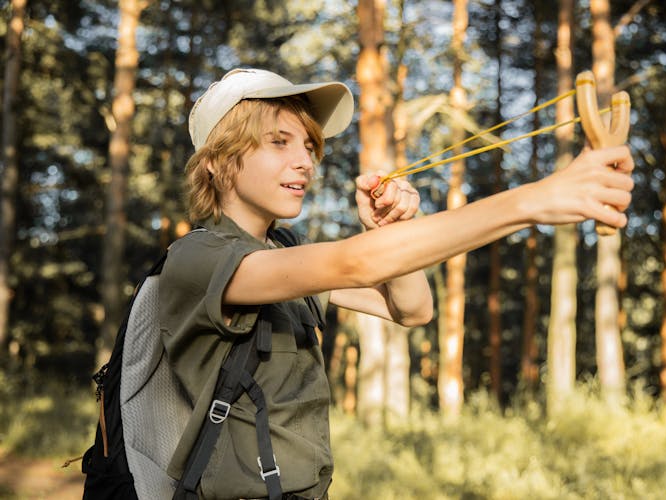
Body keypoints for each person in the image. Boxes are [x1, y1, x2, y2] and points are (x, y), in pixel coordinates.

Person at [158, 68, 635, 499]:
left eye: (308, 145)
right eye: (279, 141)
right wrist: (533, 201)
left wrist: (389, 230)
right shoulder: (197, 258)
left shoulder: (282, 252)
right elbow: (354, 264)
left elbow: (410, 309)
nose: (305, 161)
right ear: (216, 162)